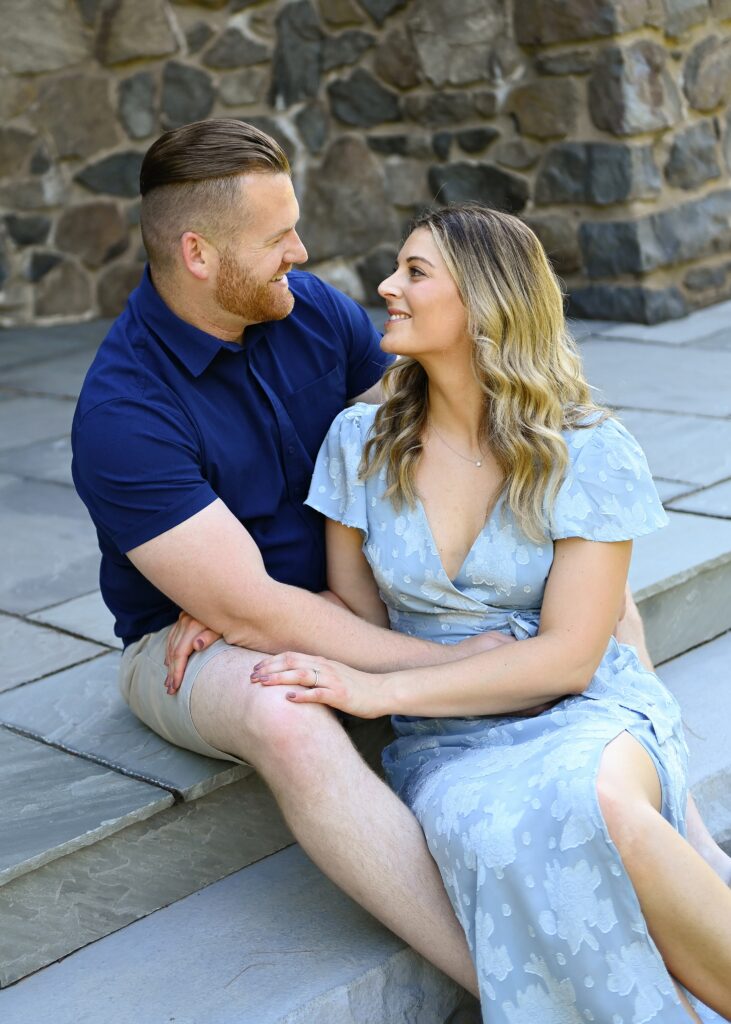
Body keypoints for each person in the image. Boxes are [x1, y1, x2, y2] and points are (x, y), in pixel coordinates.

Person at [71, 118, 728, 1010]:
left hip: (309, 602)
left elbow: (431, 409)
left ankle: (686, 831)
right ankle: (515, 984)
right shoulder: (123, 410)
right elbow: (256, 609)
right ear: (197, 253)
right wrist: (435, 662)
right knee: (281, 706)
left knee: (587, 585)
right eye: (277, 237)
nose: (302, 253)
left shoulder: (305, 310)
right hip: (189, 636)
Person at [249, 205, 731, 1021]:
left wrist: (379, 692)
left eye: (414, 272)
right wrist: (222, 610)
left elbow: (569, 659)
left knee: (598, 801)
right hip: (450, 743)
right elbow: (354, 614)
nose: (386, 287)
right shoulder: (358, 443)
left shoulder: (586, 448)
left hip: (583, 709)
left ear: (483, 300)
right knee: (505, 834)